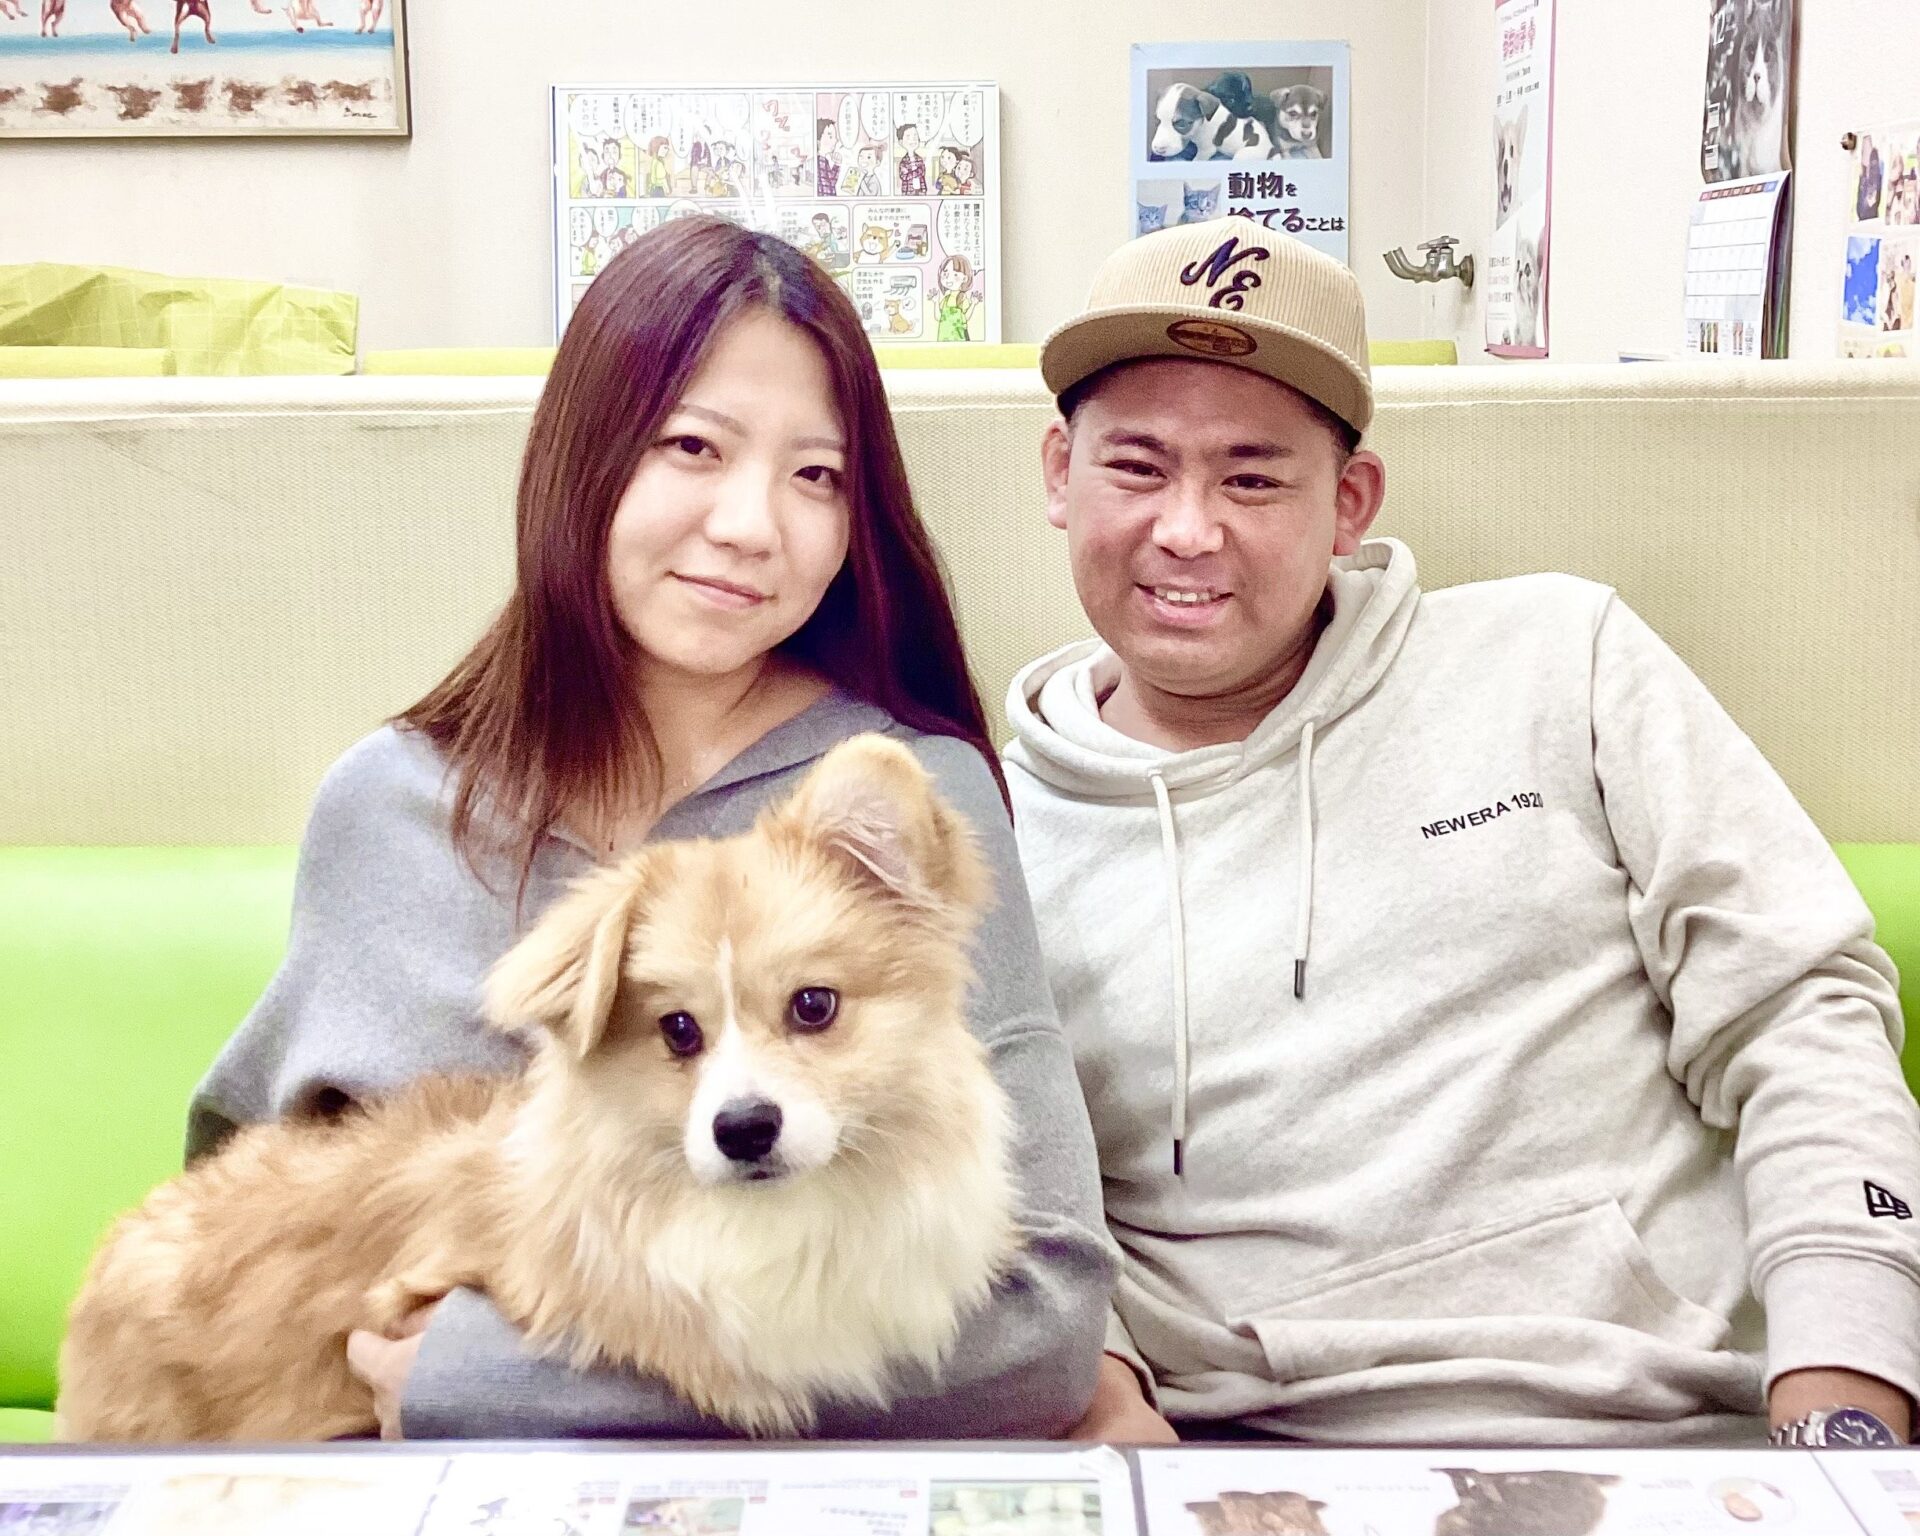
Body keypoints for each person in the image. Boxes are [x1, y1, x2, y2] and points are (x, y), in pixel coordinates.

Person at [187, 218, 1114, 1440]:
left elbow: (1045, 1321)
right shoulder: (389, 806)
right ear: (584, 454)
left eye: (817, 476)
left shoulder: (893, 807)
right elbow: (239, 1233)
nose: (751, 525)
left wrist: (499, 1387)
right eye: (693, 446)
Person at [1005, 215, 1920, 1448]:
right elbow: (992, 1191)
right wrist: (1109, 1396)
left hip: (1684, 1421)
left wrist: (1845, 1395)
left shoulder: (1562, 656)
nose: (1187, 529)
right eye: (1137, 468)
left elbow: (1799, 1011)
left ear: (1350, 502)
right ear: (1059, 474)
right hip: (1259, 1460)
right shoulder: (985, 826)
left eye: (1253, 477)